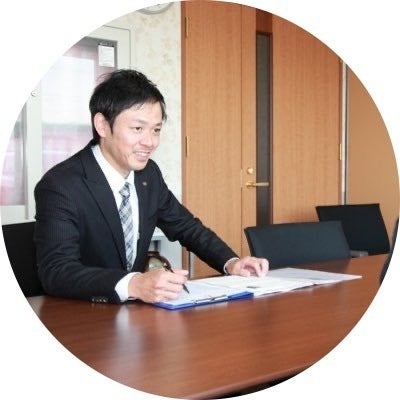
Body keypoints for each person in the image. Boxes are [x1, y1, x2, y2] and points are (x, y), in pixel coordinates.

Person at [34, 69, 268, 304]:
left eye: (156, 130)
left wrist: (231, 263)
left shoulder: (148, 174)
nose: (150, 142)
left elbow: (187, 227)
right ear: (102, 125)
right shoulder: (60, 185)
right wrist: (134, 284)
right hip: (82, 313)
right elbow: (56, 271)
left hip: (135, 313)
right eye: (138, 129)